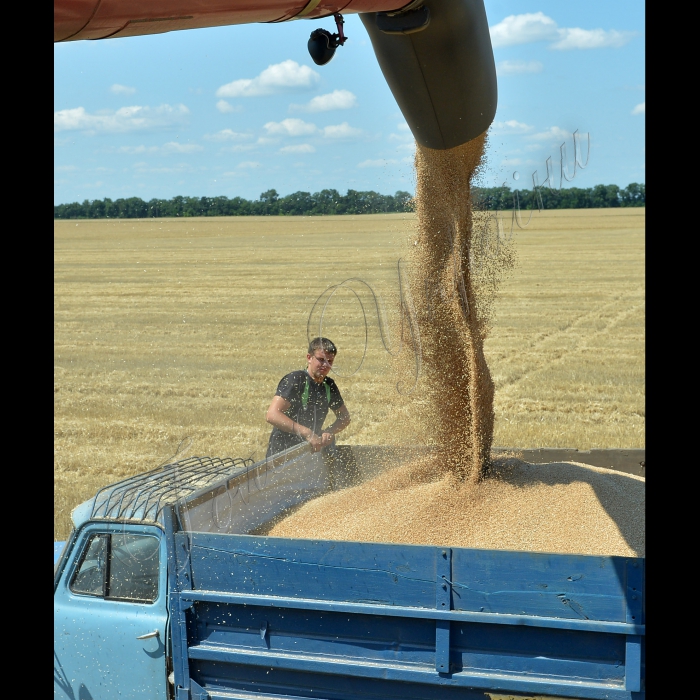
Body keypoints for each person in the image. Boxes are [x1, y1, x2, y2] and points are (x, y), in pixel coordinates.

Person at [265, 337, 351, 458]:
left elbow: (344, 417)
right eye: (321, 360)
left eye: (330, 361)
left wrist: (330, 431)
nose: (325, 365)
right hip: (282, 455)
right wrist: (307, 433)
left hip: (309, 454)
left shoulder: (329, 385)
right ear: (309, 358)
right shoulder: (296, 380)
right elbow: (272, 415)